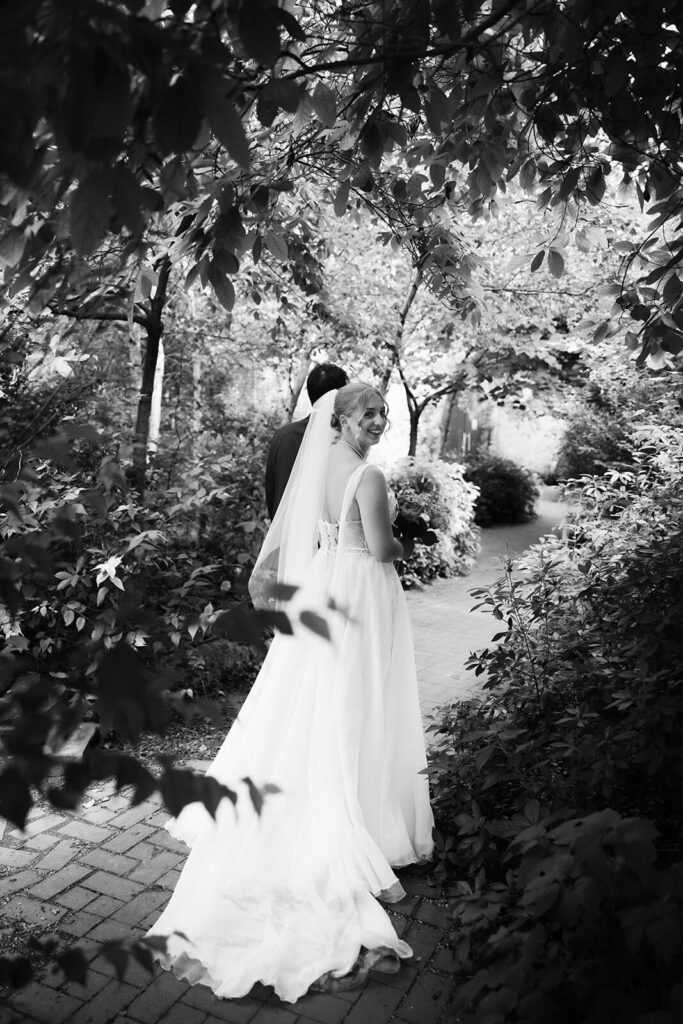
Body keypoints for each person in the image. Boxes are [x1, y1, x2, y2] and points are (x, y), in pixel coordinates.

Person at [147, 383, 434, 1003]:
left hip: (326, 586)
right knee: (359, 698)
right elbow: (382, 548)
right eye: (369, 413)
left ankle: (324, 779)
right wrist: (408, 542)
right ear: (344, 418)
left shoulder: (324, 463)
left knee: (320, 696)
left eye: (383, 413)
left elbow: (319, 533)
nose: (380, 422)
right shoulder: (370, 477)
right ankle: (359, 806)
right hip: (361, 593)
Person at [265, 362, 348, 518]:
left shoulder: (284, 435)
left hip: (285, 538)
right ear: (341, 396)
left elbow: (273, 494)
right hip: (324, 537)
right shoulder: (342, 440)